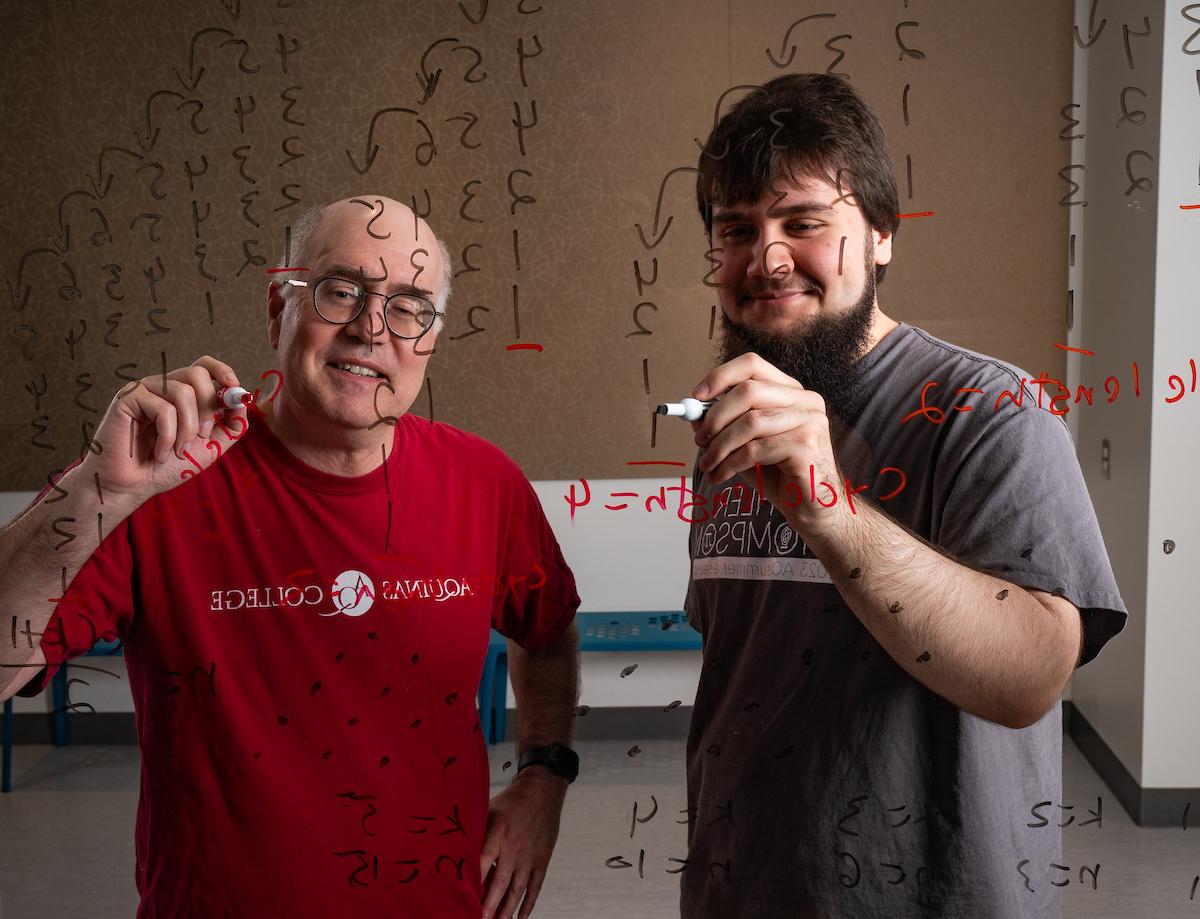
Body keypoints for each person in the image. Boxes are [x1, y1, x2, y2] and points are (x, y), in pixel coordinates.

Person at [0, 196, 581, 919]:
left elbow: (548, 628)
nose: (372, 328)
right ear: (279, 308)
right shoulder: (158, 484)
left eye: (409, 307)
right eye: (342, 292)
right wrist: (93, 488)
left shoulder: (486, 482)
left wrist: (543, 775)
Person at [679, 74, 1127, 918]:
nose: (766, 258)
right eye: (736, 230)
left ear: (883, 235)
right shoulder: (731, 423)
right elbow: (743, 679)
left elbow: (1031, 675)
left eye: (804, 223)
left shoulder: (992, 413)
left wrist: (829, 509)